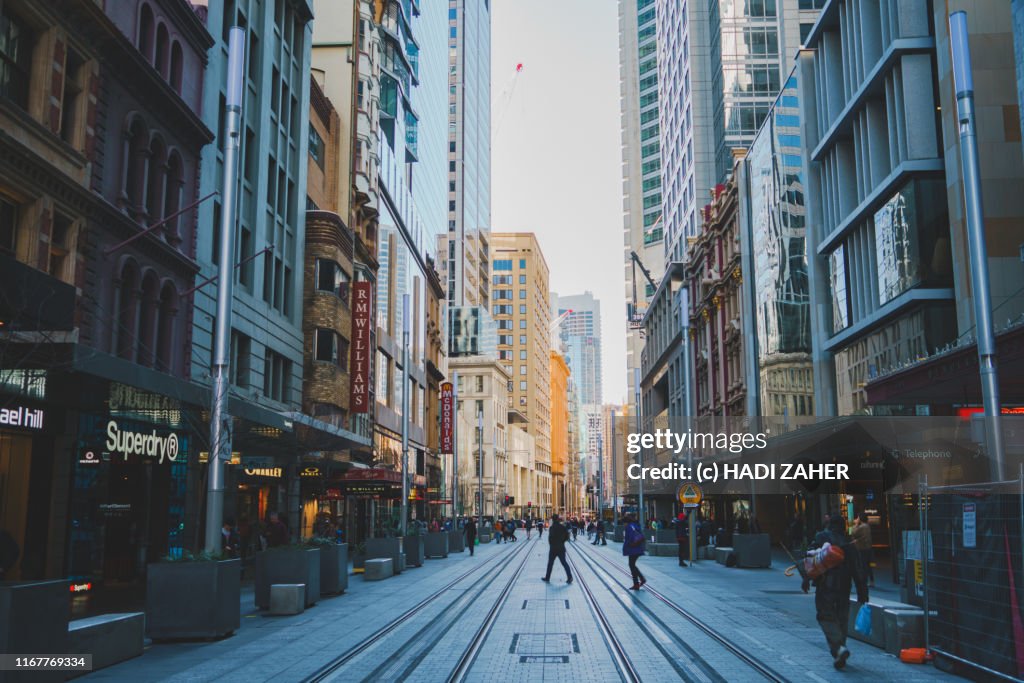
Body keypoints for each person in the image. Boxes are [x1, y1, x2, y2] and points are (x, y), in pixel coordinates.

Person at [803, 515, 869, 670]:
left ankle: (839, 649)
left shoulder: (821, 537)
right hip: (844, 587)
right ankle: (840, 651)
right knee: (841, 619)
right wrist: (862, 593)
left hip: (825, 585)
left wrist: (806, 579)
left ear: (829, 525)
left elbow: (809, 558)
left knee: (825, 616)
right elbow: (858, 569)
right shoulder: (849, 543)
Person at [541, 514, 573, 584]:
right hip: (561, 547)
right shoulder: (562, 527)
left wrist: (552, 544)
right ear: (558, 519)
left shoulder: (552, 528)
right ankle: (570, 577)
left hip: (553, 548)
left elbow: (550, 538)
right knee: (564, 563)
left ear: (552, 520)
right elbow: (567, 537)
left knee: (550, 563)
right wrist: (562, 542)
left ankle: (547, 577)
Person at [623, 513, 646, 589]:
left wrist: (627, 545)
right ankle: (639, 581)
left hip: (633, 548)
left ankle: (638, 582)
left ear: (626, 522)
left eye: (624, 523)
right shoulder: (635, 525)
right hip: (637, 548)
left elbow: (629, 538)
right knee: (632, 565)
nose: (624, 525)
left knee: (631, 565)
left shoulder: (629, 527)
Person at [851, 513, 874, 587]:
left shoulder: (862, 527)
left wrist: (855, 525)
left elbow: (853, 532)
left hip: (861, 548)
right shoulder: (867, 526)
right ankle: (871, 580)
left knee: (862, 565)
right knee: (867, 565)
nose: (856, 519)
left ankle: (865, 580)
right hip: (867, 548)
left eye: (857, 518)